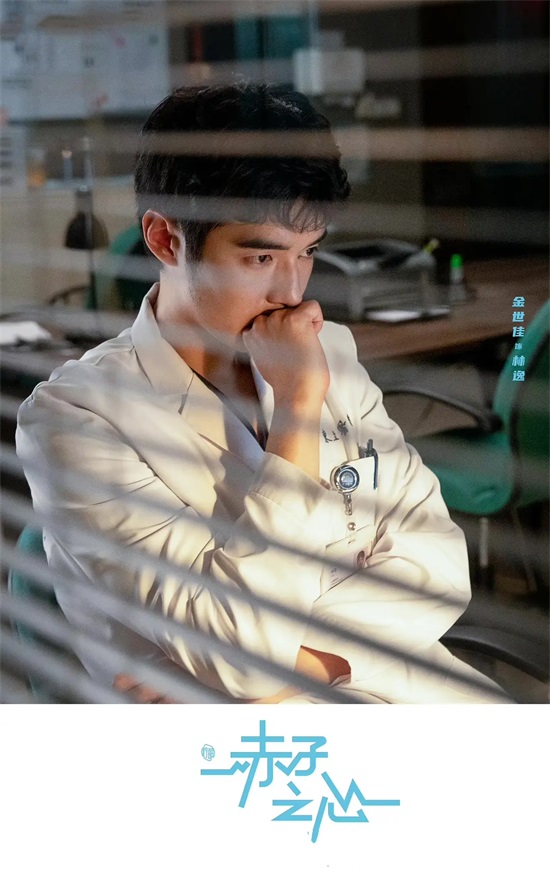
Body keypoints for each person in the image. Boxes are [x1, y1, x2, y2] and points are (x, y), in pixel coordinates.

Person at [16, 83, 511, 704]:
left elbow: (438, 565)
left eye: (308, 253)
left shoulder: (327, 348)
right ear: (165, 239)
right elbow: (240, 657)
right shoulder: (76, 419)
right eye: (261, 259)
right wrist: (299, 408)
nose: (292, 292)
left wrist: (299, 667)